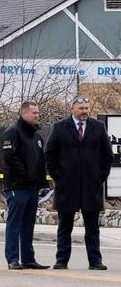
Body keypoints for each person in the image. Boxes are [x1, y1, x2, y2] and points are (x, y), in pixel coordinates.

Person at [45, 95, 112, 270]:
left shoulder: (98, 127)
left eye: (87, 108)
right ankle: (61, 260)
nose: (85, 112)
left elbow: (107, 156)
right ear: (72, 108)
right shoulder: (59, 128)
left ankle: (95, 261)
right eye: (81, 108)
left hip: (91, 187)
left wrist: (98, 177)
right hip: (67, 187)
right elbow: (49, 155)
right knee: (64, 227)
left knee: (92, 228)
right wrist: (59, 177)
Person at [1, 101, 50, 270]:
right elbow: (10, 158)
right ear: (23, 113)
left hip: (32, 188)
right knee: (14, 224)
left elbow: (40, 161)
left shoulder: (36, 135)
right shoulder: (12, 132)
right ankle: (12, 259)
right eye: (34, 113)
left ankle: (29, 259)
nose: (37, 115)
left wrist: (43, 183)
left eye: (38, 113)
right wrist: (27, 176)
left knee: (28, 225)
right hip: (17, 186)